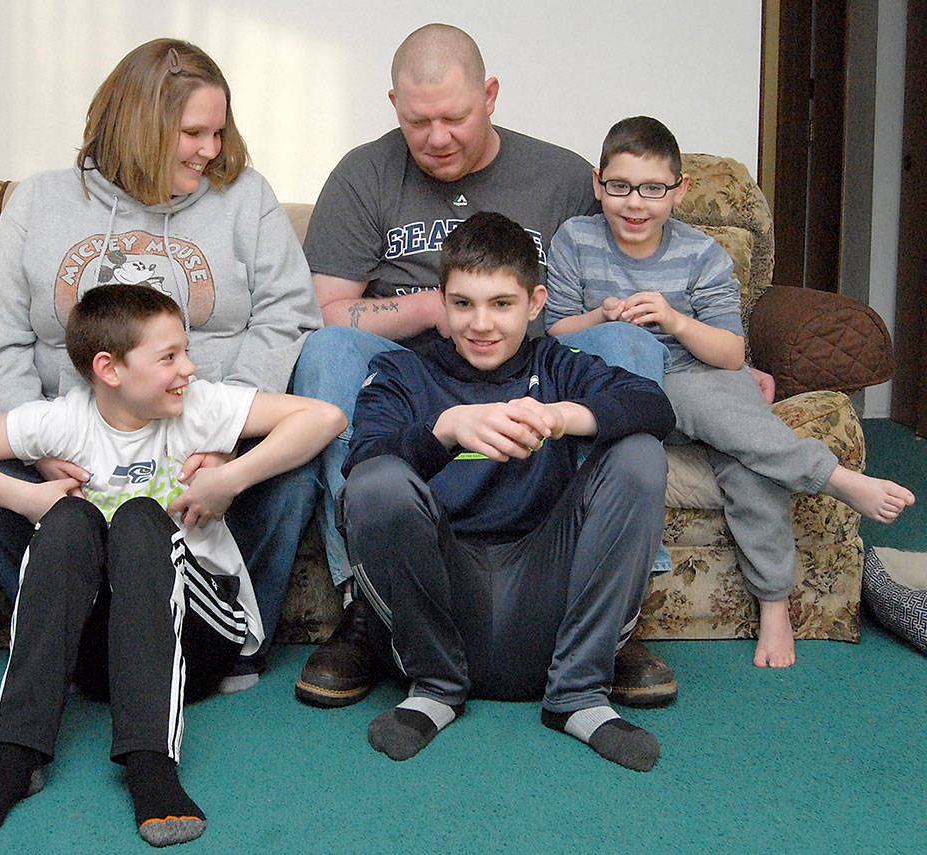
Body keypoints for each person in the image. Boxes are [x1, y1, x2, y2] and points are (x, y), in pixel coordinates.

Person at [293, 22, 674, 711]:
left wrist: (715, 350)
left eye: (455, 117)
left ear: (490, 96)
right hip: (411, 371)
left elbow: (617, 283)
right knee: (326, 354)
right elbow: (327, 311)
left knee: (631, 345)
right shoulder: (362, 174)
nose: (437, 137)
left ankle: (615, 612)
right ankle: (363, 603)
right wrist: (431, 311)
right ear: (393, 106)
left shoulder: (560, 176)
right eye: (418, 121)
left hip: (537, 363)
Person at [0, 284, 344, 846]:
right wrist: (29, 499)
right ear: (108, 369)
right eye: (169, 357)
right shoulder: (65, 420)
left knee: (141, 519)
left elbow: (325, 415)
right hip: (100, 658)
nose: (188, 368)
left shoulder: (200, 407)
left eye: (184, 352)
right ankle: (15, 753)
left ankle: (150, 761)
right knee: (66, 521)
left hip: (200, 642)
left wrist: (229, 477)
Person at [0, 38, 323, 680]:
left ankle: (236, 647)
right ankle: (66, 650)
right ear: (138, 126)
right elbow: (0, 342)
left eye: (219, 131)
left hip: (202, 430)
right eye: (192, 132)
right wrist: (43, 452)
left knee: (292, 466)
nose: (211, 150)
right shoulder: (39, 202)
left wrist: (225, 443)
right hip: (74, 434)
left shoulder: (247, 198)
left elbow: (287, 316)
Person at [545, 116, 917, 667]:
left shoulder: (702, 254)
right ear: (599, 183)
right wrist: (601, 316)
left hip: (695, 378)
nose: (635, 204)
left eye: (653, 189)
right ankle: (832, 476)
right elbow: (554, 334)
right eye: (620, 187)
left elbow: (731, 354)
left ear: (680, 190)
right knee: (698, 408)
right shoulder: (576, 238)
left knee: (746, 458)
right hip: (618, 385)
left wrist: (674, 320)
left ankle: (774, 604)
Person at [340, 211, 673, 772]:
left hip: (547, 591)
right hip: (442, 601)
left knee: (640, 452)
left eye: (502, 304)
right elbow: (362, 464)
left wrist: (565, 415)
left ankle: (579, 696)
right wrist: (444, 431)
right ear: (441, 301)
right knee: (378, 479)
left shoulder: (557, 364)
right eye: (464, 303)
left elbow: (654, 406)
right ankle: (434, 690)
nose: (481, 324)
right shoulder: (401, 372)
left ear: (536, 303)